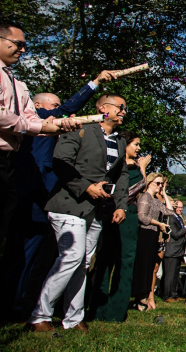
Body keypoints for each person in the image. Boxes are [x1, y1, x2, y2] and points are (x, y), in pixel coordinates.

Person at [1, 69, 117, 320]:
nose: (60, 110)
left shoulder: (49, 127)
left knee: (46, 257)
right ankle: (16, 305)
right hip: (31, 192)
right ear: (38, 106)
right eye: (53, 105)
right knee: (23, 251)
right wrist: (95, 83)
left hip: (46, 194)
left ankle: (29, 302)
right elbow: (66, 110)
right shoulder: (39, 119)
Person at [27, 94, 128, 332]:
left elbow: (121, 174)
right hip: (69, 202)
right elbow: (60, 161)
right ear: (102, 108)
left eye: (126, 108)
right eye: (120, 107)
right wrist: (85, 187)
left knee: (83, 263)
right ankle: (39, 316)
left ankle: (73, 319)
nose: (124, 111)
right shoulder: (80, 128)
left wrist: (121, 204)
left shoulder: (120, 141)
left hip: (95, 209)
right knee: (71, 257)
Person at [0, 20, 81, 245]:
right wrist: (35, 126)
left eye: (25, 45)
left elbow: (34, 120)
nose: (23, 49)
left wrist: (58, 126)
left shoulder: (19, 85)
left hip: (8, 164)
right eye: (18, 43)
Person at [89, 130, 150, 321]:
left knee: (111, 261)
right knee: (119, 262)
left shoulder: (119, 165)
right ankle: (110, 311)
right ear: (125, 145)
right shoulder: (125, 167)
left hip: (115, 215)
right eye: (136, 144)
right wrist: (143, 169)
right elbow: (136, 188)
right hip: (122, 214)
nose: (139, 148)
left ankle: (105, 310)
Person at [132, 173, 173, 311]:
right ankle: (140, 298)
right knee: (144, 265)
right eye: (158, 183)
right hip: (145, 233)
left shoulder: (156, 200)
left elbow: (169, 211)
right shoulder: (145, 197)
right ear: (149, 183)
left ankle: (144, 296)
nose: (160, 186)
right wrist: (159, 224)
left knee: (150, 267)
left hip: (153, 234)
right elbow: (142, 217)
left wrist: (164, 194)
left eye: (162, 184)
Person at [162, 200, 186, 303]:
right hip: (171, 250)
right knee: (170, 274)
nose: (180, 209)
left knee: (176, 274)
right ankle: (166, 295)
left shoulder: (179, 217)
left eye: (181, 207)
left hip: (178, 251)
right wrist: (185, 227)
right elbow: (175, 234)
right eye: (178, 207)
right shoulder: (171, 218)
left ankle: (174, 293)